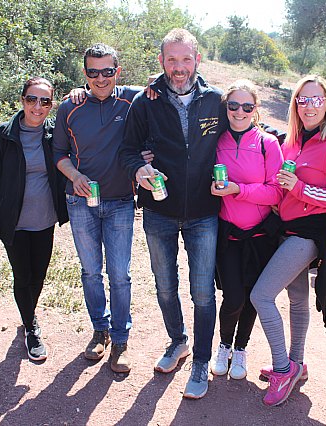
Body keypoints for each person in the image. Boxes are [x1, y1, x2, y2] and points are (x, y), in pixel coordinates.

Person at [119, 28, 227, 399]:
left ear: (197, 60)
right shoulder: (145, 103)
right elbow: (129, 150)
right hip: (159, 211)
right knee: (165, 285)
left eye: (185, 59)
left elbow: (245, 133)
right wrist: (140, 170)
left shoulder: (216, 101)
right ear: (161, 61)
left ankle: (200, 361)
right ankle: (178, 341)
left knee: (202, 292)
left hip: (203, 212)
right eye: (171, 59)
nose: (178, 67)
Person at [250, 74, 326, 406]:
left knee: (262, 296)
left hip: (310, 232)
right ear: (296, 104)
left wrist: (299, 188)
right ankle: (297, 364)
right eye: (303, 100)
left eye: (317, 100)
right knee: (296, 300)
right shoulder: (291, 142)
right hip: (286, 228)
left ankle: (283, 369)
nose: (309, 106)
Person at [53, 43, 141, 373]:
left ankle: (121, 341)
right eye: (92, 72)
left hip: (120, 202)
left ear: (117, 71)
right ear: (85, 73)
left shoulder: (133, 99)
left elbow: (170, 85)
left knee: (120, 275)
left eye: (107, 71)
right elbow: (58, 154)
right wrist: (74, 176)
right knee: (91, 272)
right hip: (80, 202)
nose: (100, 78)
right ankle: (99, 332)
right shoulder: (69, 107)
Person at [0, 77, 68, 361]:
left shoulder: (56, 135)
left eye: (45, 101)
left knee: (39, 274)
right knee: (22, 275)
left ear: (51, 105)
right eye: (32, 99)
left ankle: (28, 312)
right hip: (12, 220)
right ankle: (31, 328)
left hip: (45, 219)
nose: (37, 107)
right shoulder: (2, 135)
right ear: (22, 100)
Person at [208, 80, 284, 380]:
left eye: (247, 106)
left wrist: (238, 190)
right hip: (228, 235)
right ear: (225, 107)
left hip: (260, 236)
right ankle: (224, 345)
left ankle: (241, 349)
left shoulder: (268, 144)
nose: (240, 112)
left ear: (256, 109)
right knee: (233, 296)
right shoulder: (215, 142)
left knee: (253, 296)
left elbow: (276, 193)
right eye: (234, 105)